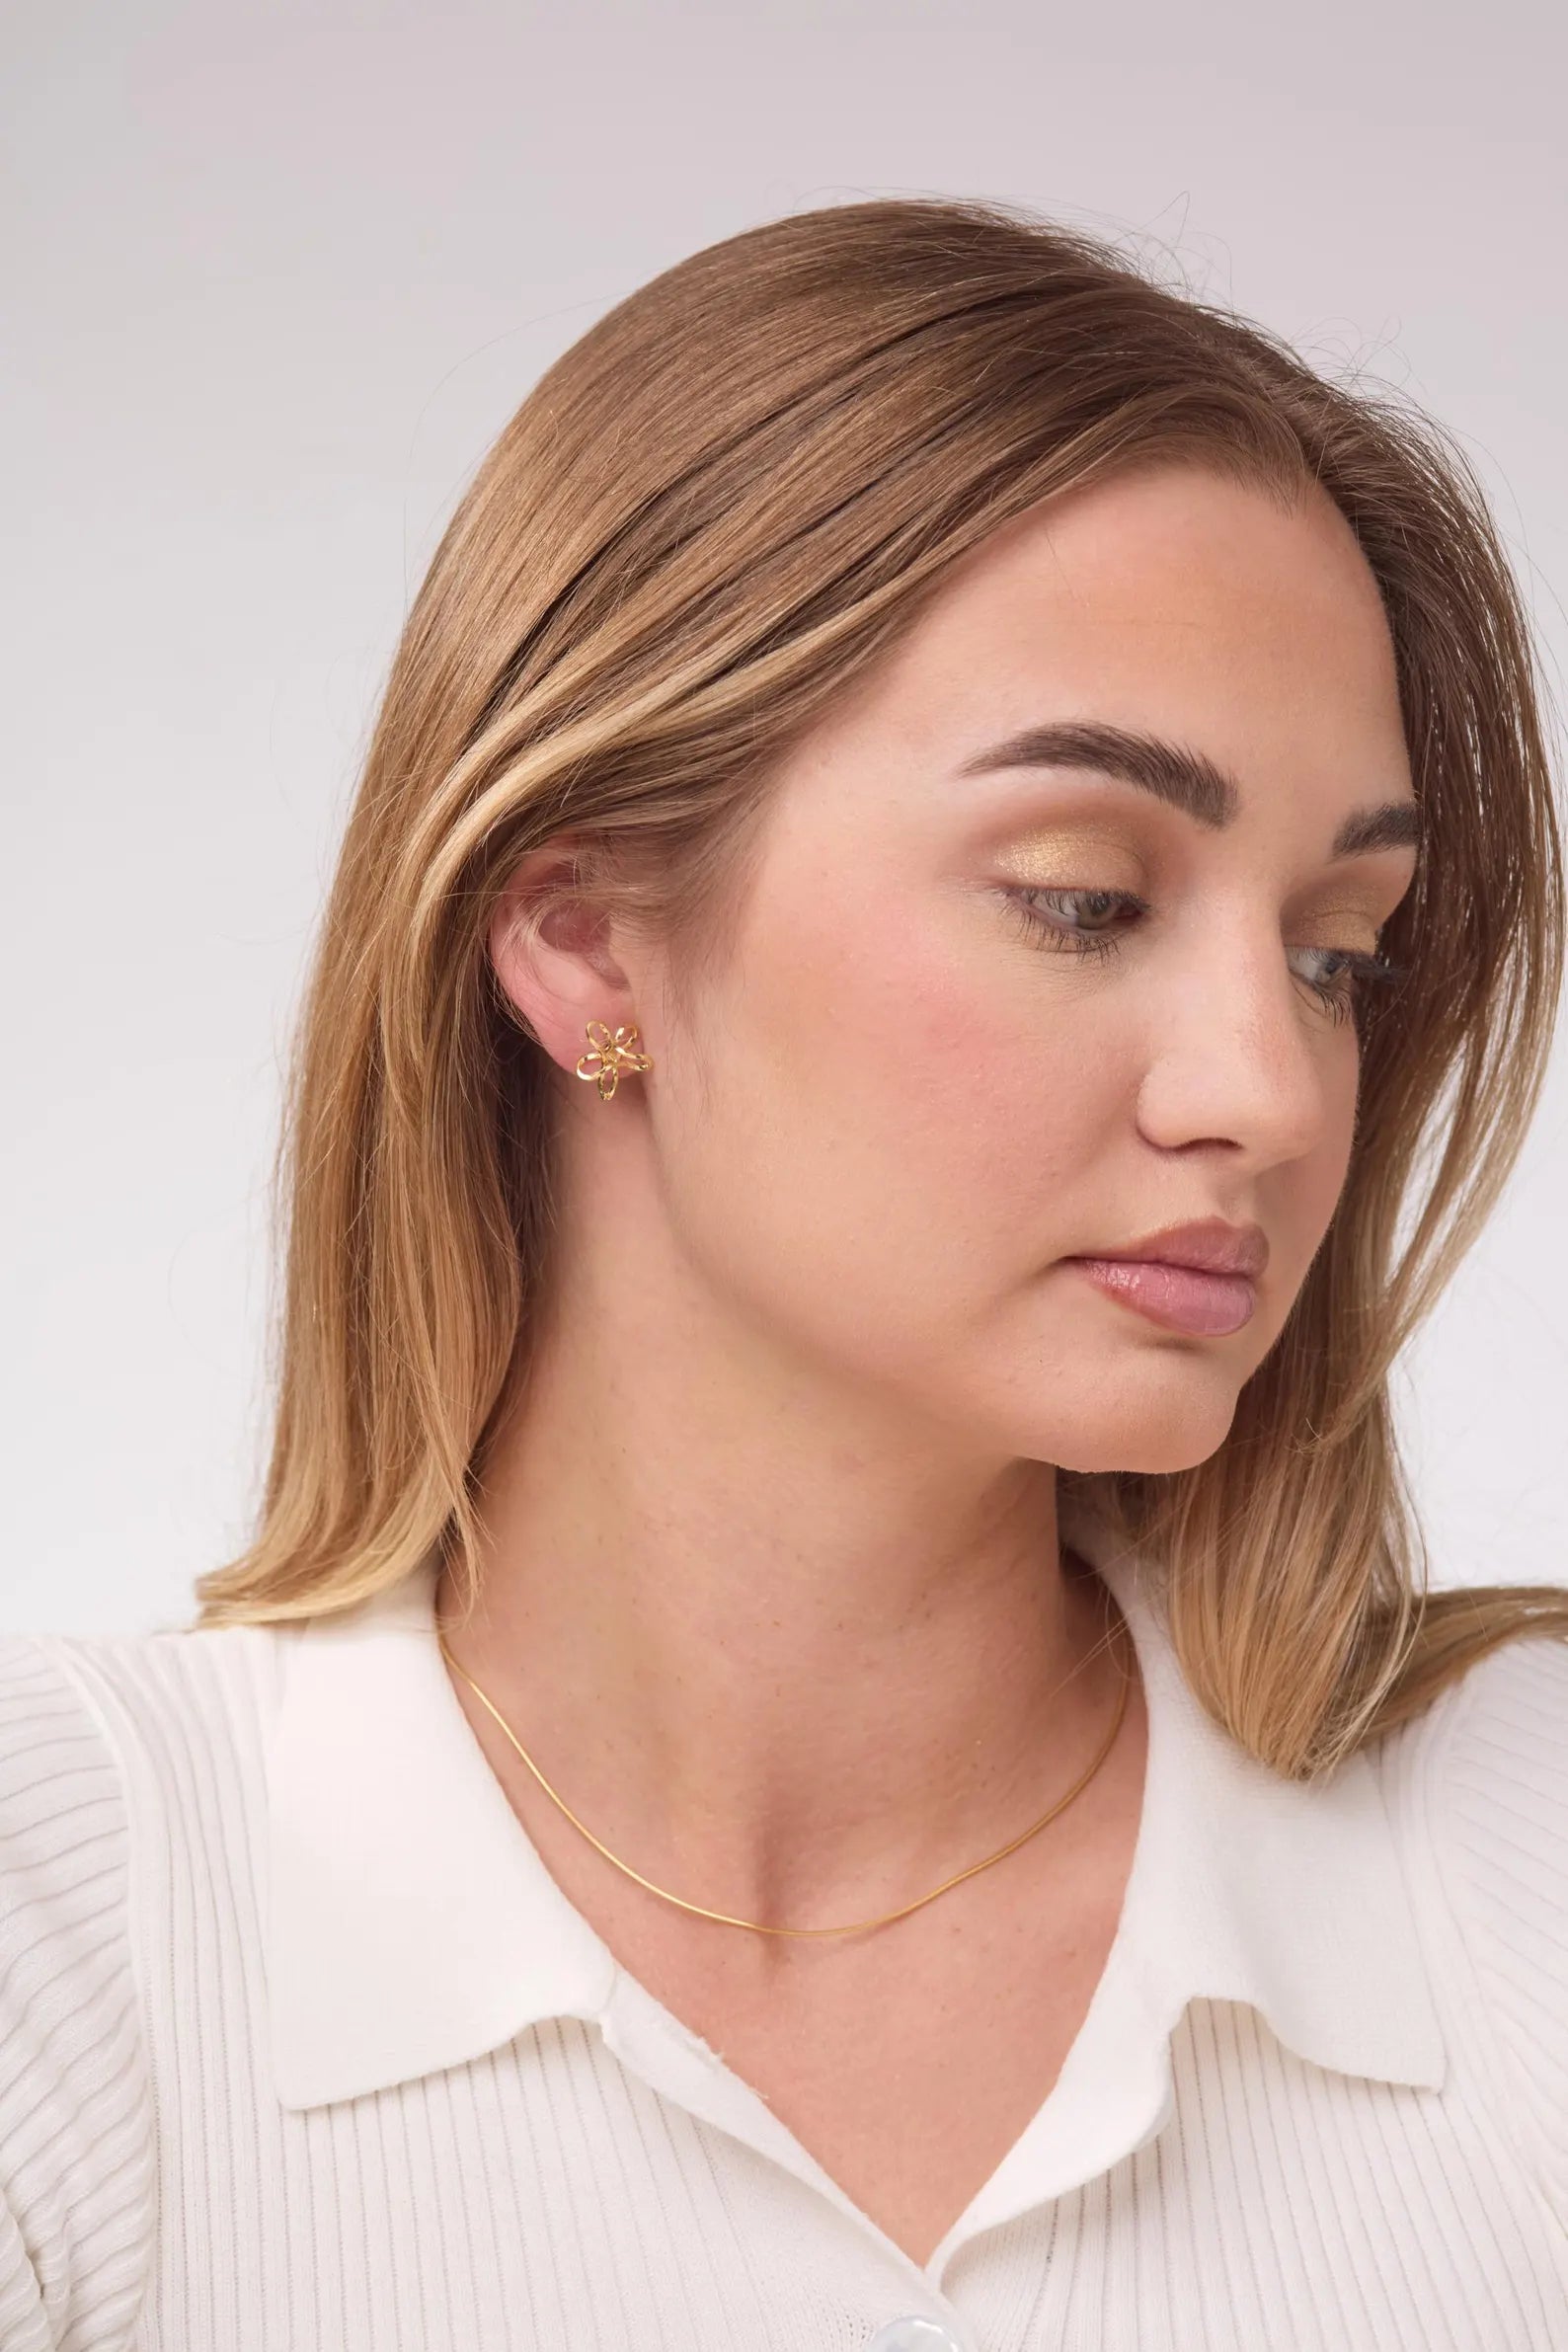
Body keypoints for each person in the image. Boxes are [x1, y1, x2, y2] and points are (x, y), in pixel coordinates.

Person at [2, 196, 1566, 2352]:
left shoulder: (1523, 1855)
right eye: (1083, 898)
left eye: (1336, 953)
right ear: (582, 939)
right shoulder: (66, 1937)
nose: (1272, 1092)